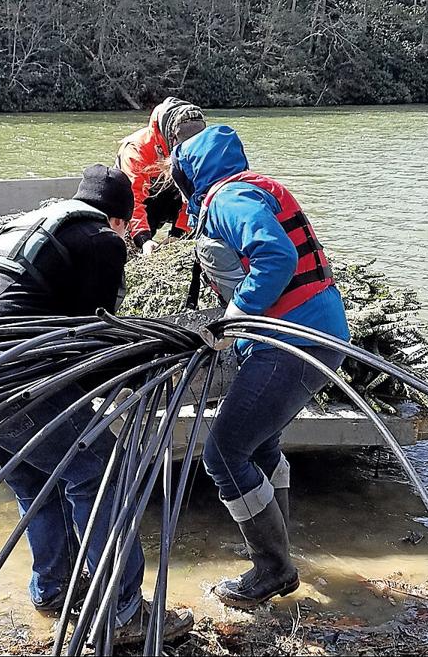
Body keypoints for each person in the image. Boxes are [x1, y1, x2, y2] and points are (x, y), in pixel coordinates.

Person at [0, 164, 194, 644]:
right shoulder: (103, 241)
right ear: (120, 218)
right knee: (102, 474)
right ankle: (124, 613)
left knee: (40, 479)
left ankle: (54, 592)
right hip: (5, 373)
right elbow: (88, 340)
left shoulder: (34, 226)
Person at [169, 126, 351, 610]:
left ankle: (272, 570)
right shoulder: (248, 187)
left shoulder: (228, 200)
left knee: (225, 455)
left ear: (193, 175)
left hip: (295, 342)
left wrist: (235, 315)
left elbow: (276, 255)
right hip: (308, 334)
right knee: (260, 443)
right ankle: (280, 550)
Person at [115, 96, 206, 256]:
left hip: (172, 198)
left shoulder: (197, 149)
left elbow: (194, 193)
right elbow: (134, 200)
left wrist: (179, 233)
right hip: (140, 201)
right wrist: (144, 239)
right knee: (129, 248)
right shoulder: (138, 149)